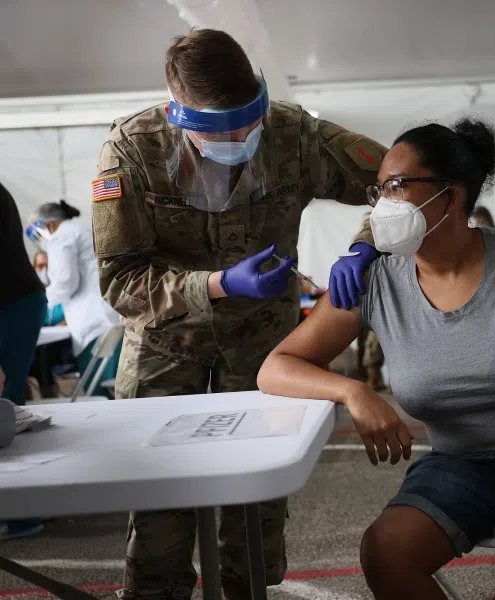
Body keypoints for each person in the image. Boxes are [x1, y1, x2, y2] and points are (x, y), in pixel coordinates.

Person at [258, 118, 495, 600]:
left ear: (450, 197)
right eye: (379, 192)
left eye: (396, 187)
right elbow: (276, 367)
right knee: (385, 552)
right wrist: (353, 391)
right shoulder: (376, 281)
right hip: (461, 463)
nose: (383, 205)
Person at [92, 29, 385, 600]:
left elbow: (403, 180)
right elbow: (122, 282)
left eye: (249, 122)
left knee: (255, 511)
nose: (242, 138)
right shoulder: (131, 151)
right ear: (182, 118)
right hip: (164, 348)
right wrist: (219, 285)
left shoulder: (293, 132)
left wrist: (367, 244)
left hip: (264, 349)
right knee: (160, 513)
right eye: (221, 131)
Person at [26, 201, 121, 389]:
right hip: (107, 316)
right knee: (113, 386)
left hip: (93, 321)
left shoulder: (60, 236)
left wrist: (41, 300)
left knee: (99, 391)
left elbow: (65, 281)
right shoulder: (80, 230)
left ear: (48, 224)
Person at [0, 180, 47, 540]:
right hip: (20, 301)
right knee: (9, 407)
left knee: (5, 409)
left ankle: (21, 512)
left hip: (10, 303)